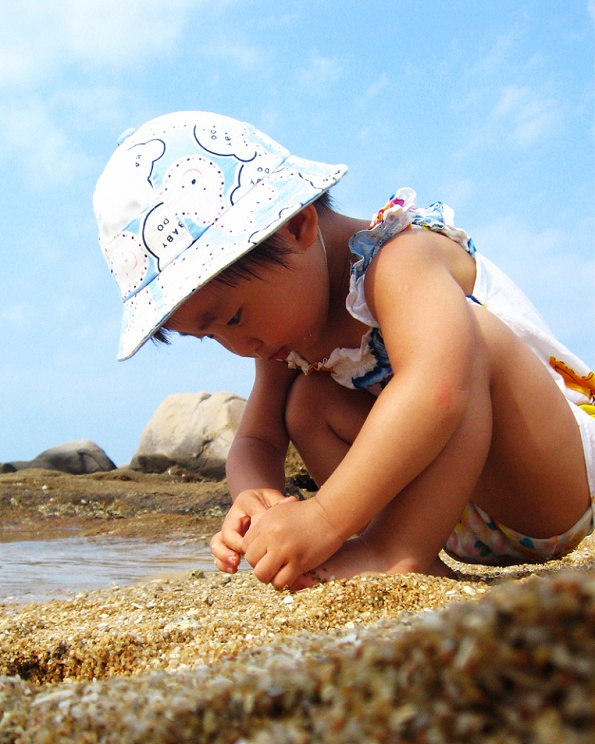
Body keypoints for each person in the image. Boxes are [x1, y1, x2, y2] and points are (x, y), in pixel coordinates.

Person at [94, 110, 595, 590]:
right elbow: (256, 442)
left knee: (465, 343)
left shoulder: (400, 258)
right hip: (456, 520)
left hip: (548, 486)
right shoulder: (283, 334)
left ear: (296, 227)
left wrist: (324, 516)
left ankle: (394, 550)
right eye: (210, 336)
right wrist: (255, 496)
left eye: (233, 318)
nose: (238, 346)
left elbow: (436, 391)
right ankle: (390, 537)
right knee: (307, 403)